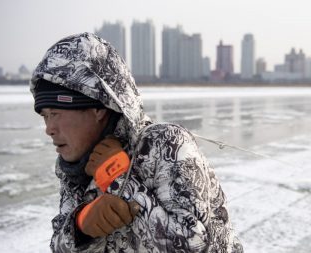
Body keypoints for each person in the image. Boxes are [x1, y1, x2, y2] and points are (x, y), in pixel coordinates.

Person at [30, 32, 243, 253]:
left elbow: (195, 246)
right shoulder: (73, 168)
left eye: (55, 114)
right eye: (44, 116)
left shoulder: (164, 143)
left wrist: (118, 177)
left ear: (98, 108)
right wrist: (80, 227)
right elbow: (58, 245)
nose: (49, 129)